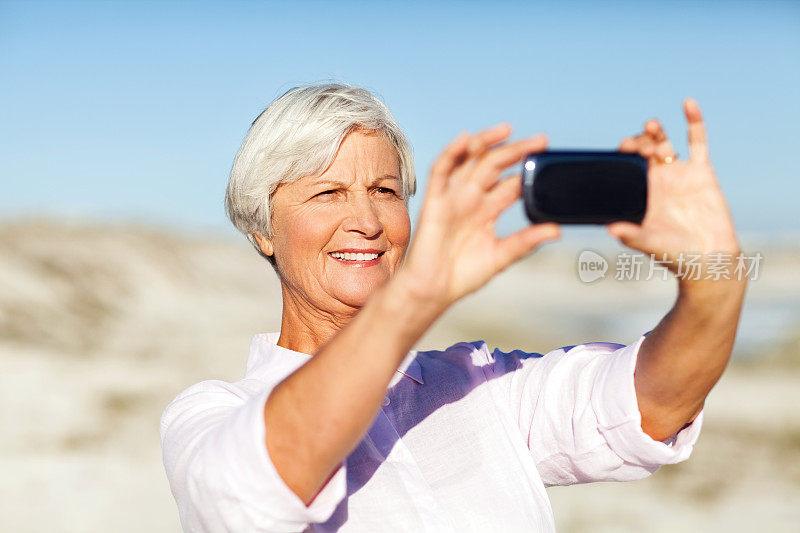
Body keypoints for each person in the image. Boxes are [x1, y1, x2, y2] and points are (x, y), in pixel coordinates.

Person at [160, 83, 746, 532]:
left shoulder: (480, 384)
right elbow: (244, 491)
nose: (366, 222)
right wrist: (417, 296)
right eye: (327, 192)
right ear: (262, 228)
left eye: (386, 191)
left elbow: (653, 401)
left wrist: (714, 280)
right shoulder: (214, 413)